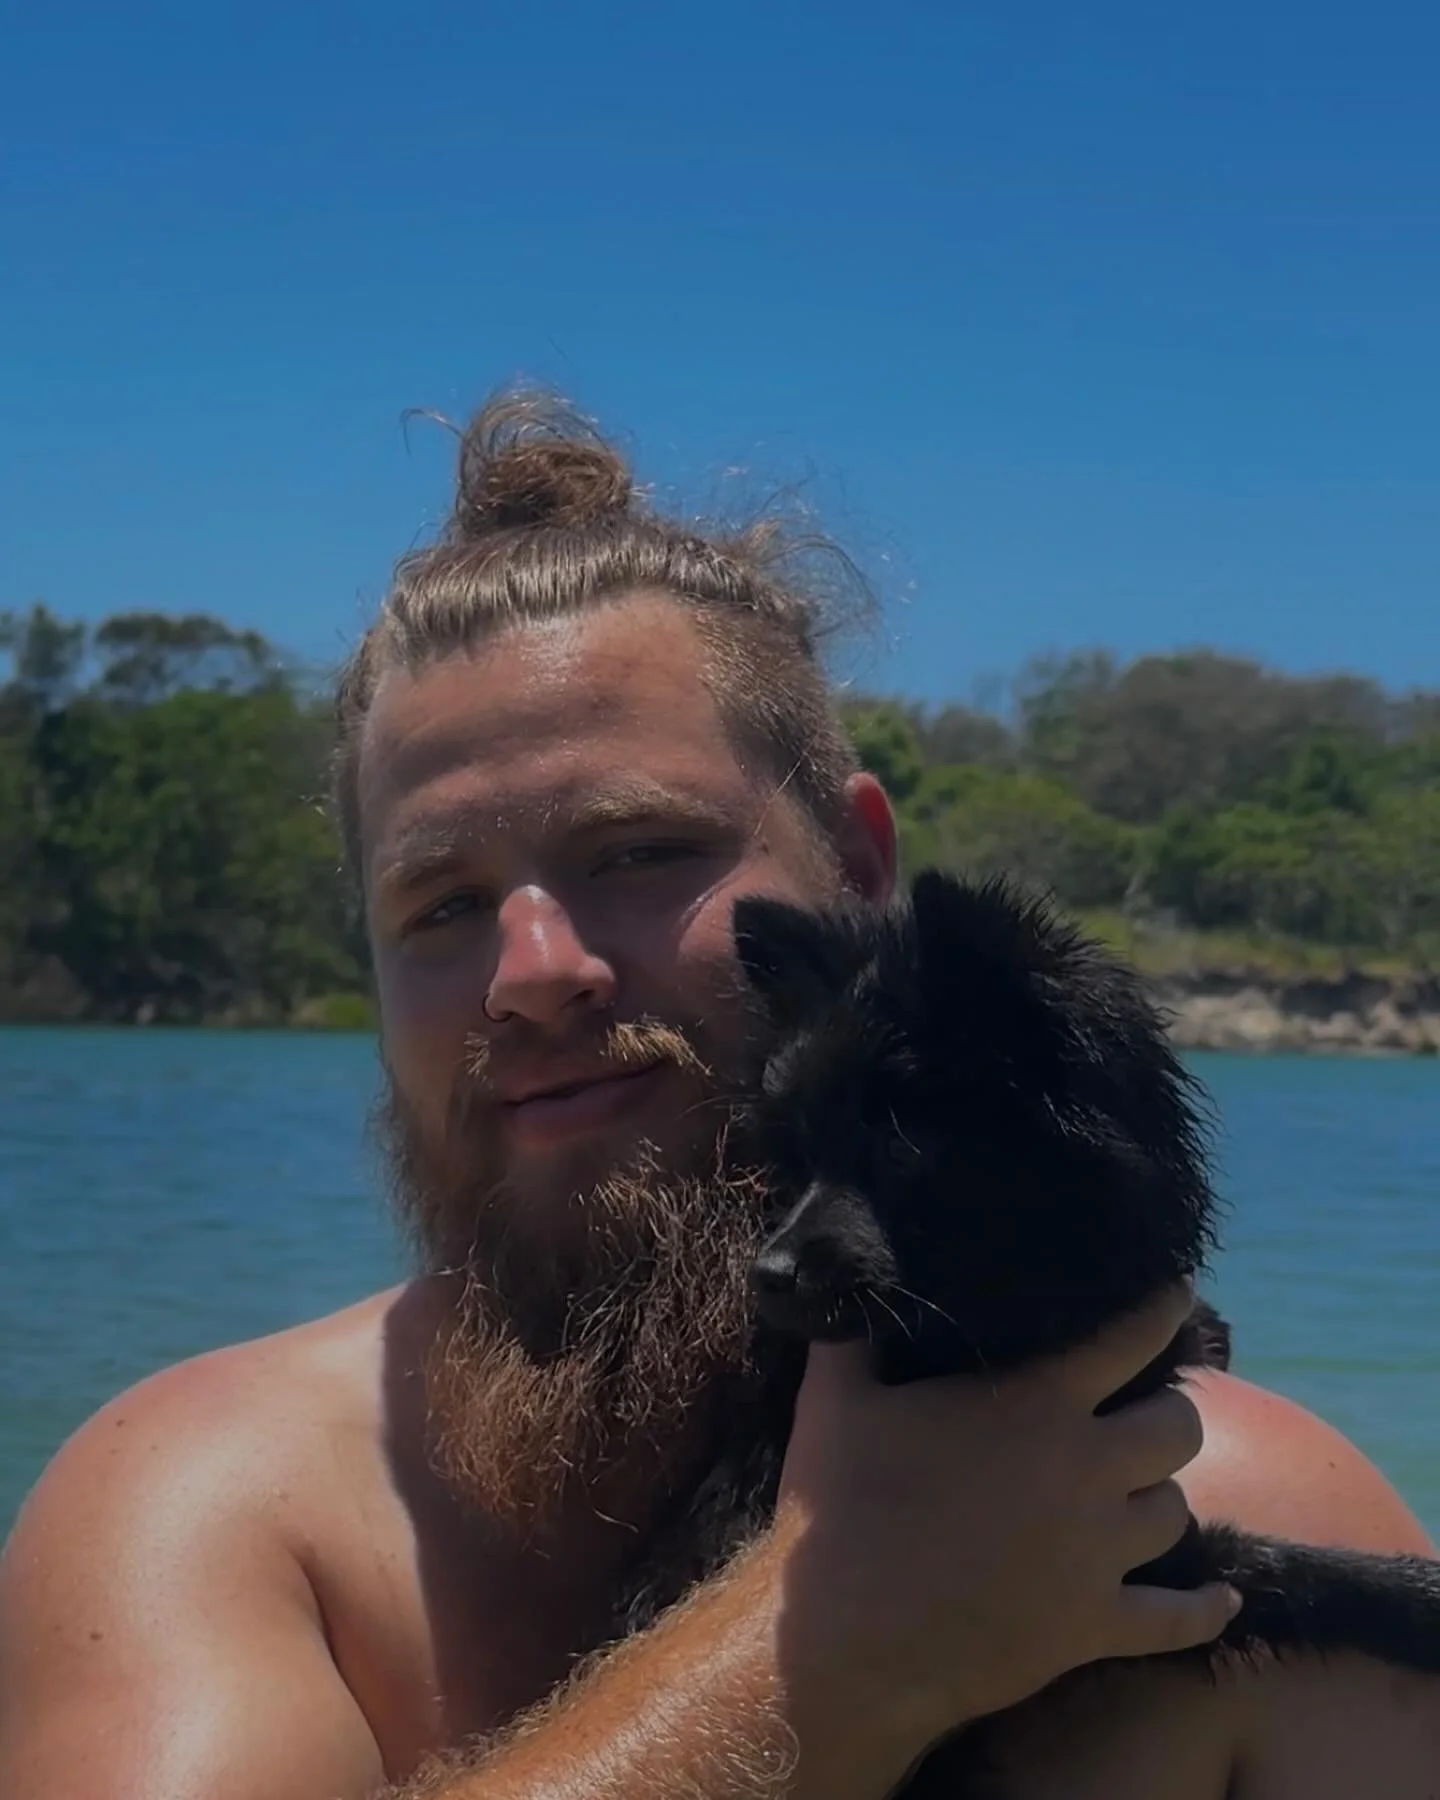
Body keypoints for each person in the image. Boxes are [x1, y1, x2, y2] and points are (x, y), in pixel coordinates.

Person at [1, 393, 1435, 1800]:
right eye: (439, 906)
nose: (533, 971)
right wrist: (812, 1660)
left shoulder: (1225, 1504)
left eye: (638, 851)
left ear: (860, 878)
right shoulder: (213, 1518)